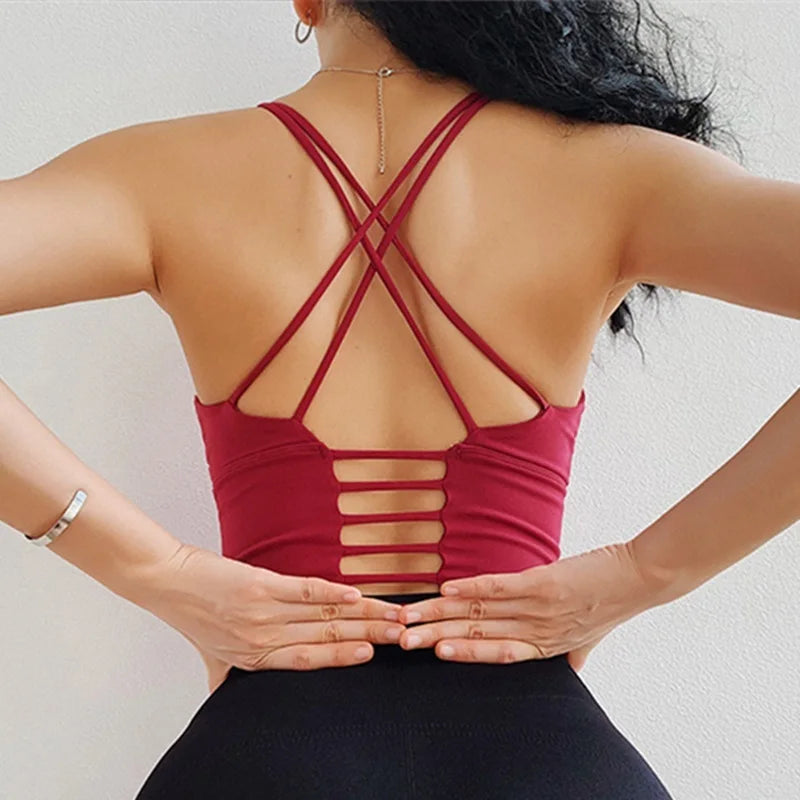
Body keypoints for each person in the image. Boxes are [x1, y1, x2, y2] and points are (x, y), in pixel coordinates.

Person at [2, 1, 798, 797]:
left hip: (260, 755)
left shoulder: (164, 173)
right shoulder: (619, 173)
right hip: (548, 760)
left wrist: (160, 571)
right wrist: (645, 572)